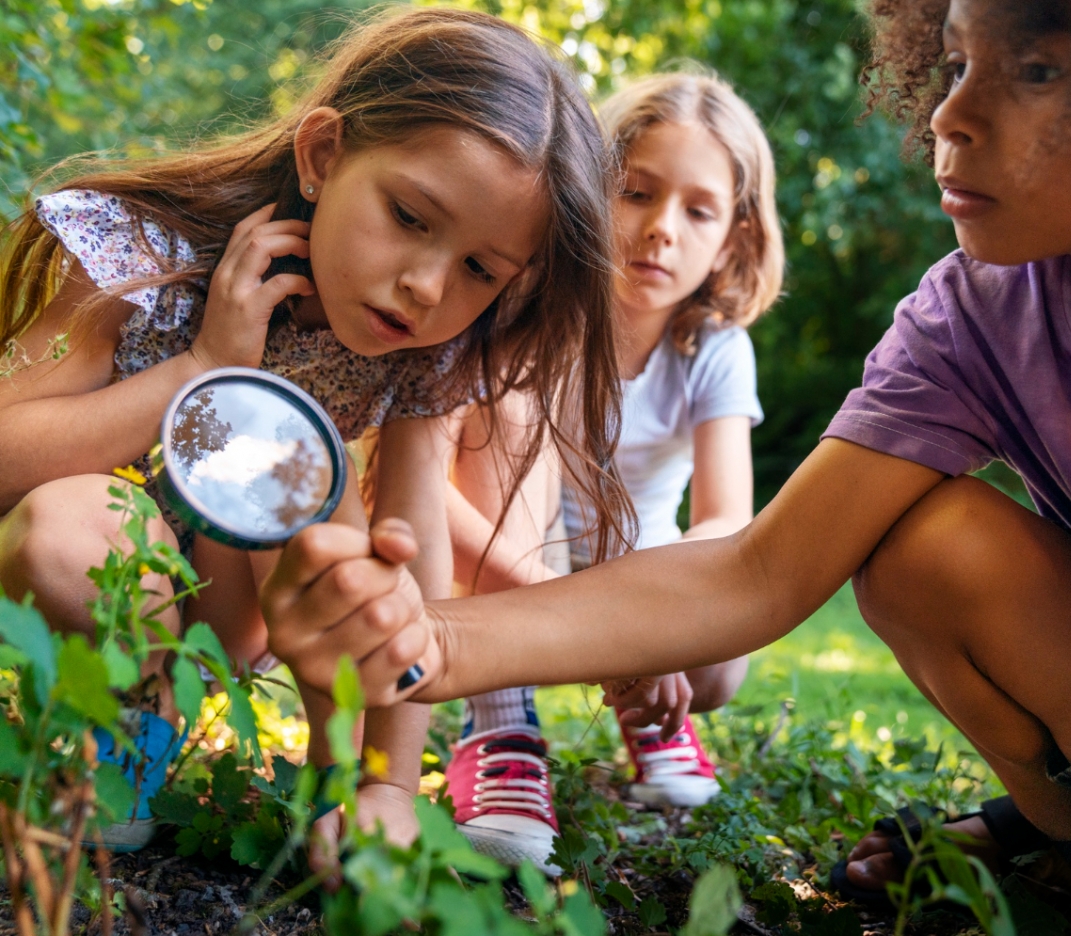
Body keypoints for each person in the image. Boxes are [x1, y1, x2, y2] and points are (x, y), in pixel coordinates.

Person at [262, 0, 1071, 911]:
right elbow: (758, 569)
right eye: (957, 62)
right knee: (927, 548)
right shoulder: (975, 318)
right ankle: (1068, 841)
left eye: (1039, 71)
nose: (952, 116)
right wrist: (422, 638)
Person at [0, 6, 632, 860]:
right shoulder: (138, 248)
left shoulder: (421, 359)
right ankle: (120, 719)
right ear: (323, 155)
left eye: (479, 269)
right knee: (78, 522)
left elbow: (413, 575)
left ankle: (332, 787)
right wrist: (200, 369)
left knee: (294, 471)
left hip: (235, 610)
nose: (423, 286)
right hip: (84, 563)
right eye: (410, 217)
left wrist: (388, 786)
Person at [436, 73, 783, 873]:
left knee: (722, 660)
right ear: (591, 191)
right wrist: (608, 644)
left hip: (636, 568)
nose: (661, 229)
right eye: (636, 192)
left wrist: (655, 631)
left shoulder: (716, 348)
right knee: (509, 431)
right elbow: (437, 502)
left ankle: (650, 713)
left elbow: (728, 518)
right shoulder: (528, 310)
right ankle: (500, 723)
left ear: (732, 238)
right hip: (505, 560)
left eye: (698, 211)